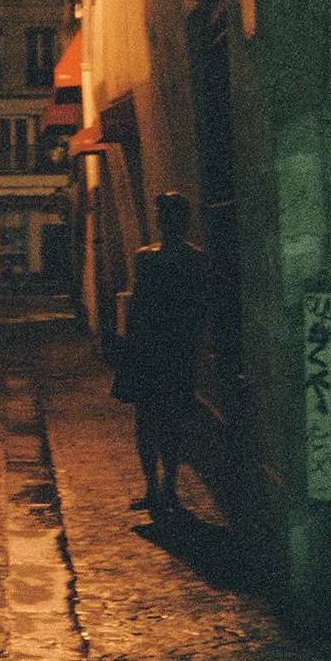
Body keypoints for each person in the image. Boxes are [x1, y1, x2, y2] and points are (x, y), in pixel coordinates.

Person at [115, 191, 207, 516]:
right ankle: (156, 486)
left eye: (166, 215)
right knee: (150, 421)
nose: (161, 221)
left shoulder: (187, 260)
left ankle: (164, 486)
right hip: (157, 350)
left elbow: (194, 308)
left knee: (166, 422)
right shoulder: (149, 258)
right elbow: (139, 305)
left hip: (167, 350)